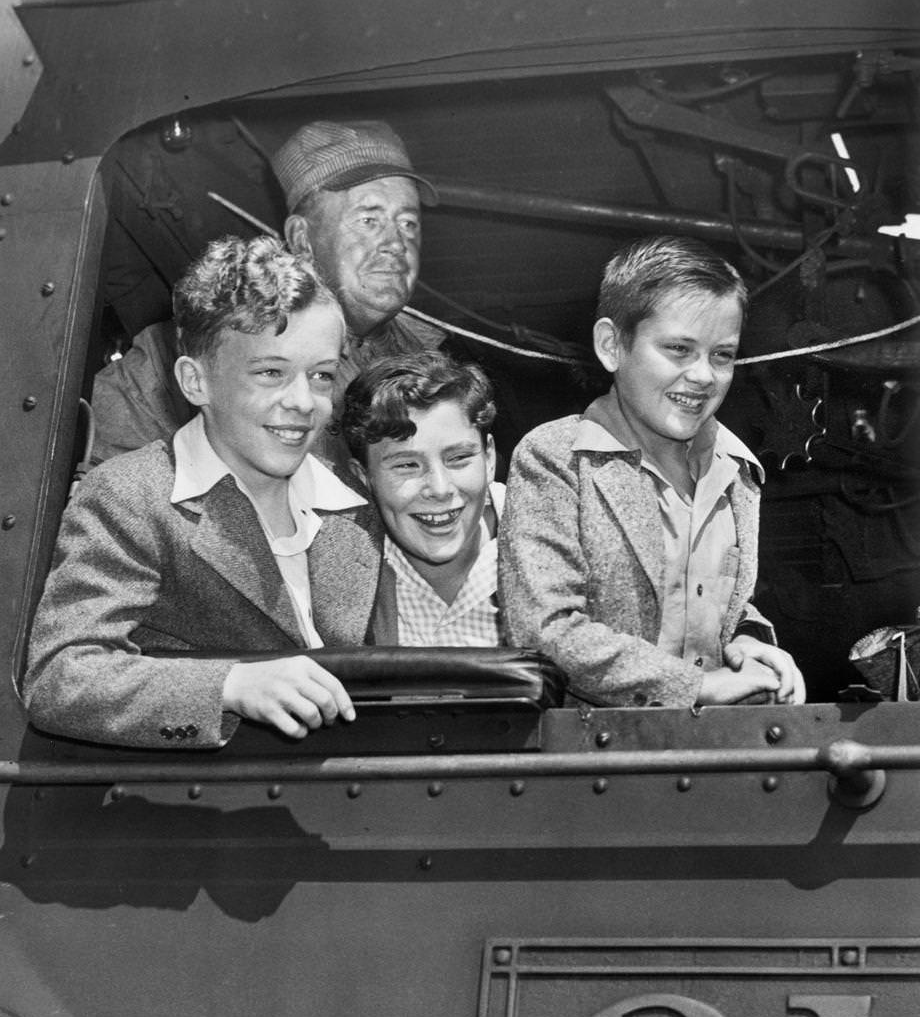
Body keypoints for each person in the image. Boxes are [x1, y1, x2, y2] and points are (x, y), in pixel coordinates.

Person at [24, 236, 384, 749]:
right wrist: (228, 685)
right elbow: (61, 677)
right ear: (196, 382)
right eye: (270, 373)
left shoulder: (354, 501)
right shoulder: (133, 498)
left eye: (322, 376)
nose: (304, 402)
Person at [498, 235, 806, 709]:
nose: (704, 375)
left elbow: (704, 599)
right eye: (679, 349)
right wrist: (695, 686)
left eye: (722, 355)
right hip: (596, 759)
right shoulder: (556, 458)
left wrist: (745, 640)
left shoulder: (737, 471)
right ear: (611, 345)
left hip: (715, 753)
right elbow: (546, 629)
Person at [90, 119, 445, 468]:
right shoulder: (179, 353)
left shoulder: (433, 364)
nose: (397, 244)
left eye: (408, 223)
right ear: (302, 239)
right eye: (369, 221)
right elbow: (108, 495)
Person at [341, 351, 502, 646]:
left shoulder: (544, 539)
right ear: (364, 478)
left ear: (489, 457)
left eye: (459, 458)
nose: (440, 489)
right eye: (406, 465)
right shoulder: (339, 567)